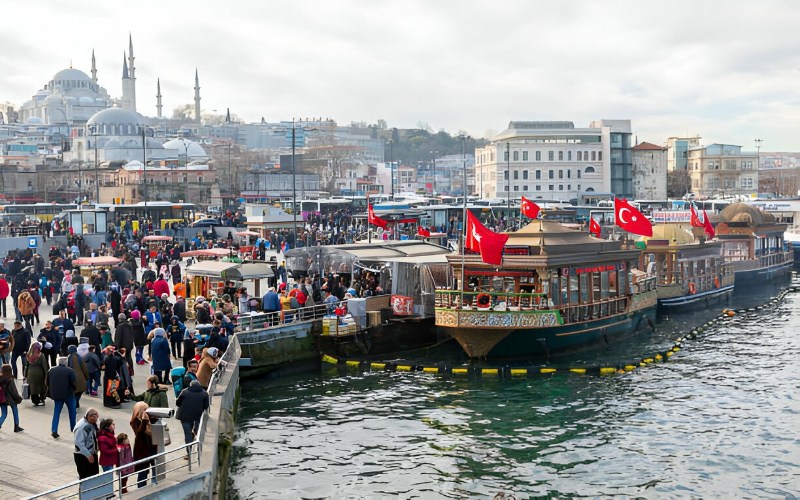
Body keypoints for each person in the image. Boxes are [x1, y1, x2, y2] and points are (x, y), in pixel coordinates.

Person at [48, 356, 77, 439]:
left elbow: (47, 382)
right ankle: (73, 428)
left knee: (56, 413)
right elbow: (74, 383)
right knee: (72, 412)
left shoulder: (51, 370)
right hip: (69, 394)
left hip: (57, 395)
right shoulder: (70, 371)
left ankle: (54, 430)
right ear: (66, 363)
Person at [176, 380, 209, 451]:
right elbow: (206, 406)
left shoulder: (184, 392)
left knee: (187, 434)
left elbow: (178, 403)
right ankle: (195, 436)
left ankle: (189, 452)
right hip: (197, 416)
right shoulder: (204, 393)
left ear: (190, 385)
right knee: (196, 429)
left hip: (184, 416)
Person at [131, 402, 157, 488]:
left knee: (155, 467)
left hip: (152, 447)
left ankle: (155, 483)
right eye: (144, 410)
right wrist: (144, 422)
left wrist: (154, 418)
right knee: (143, 472)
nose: (146, 411)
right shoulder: (135, 420)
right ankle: (141, 488)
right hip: (142, 450)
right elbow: (139, 433)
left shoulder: (148, 418)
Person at [73, 407, 100, 479]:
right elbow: (79, 443)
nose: (97, 420)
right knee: (86, 478)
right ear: (90, 417)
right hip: (83, 456)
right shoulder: (83, 426)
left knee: (93, 477)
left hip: (91, 454)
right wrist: (88, 455)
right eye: (96, 418)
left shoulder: (89, 423)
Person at [0, 364, 24, 432]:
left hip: (1, 398)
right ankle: (16, 426)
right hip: (10, 399)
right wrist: (18, 398)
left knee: (4, 414)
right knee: (15, 410)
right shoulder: (10, 379)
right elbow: (13, 392)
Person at [25, 342, 49, 406]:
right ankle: (42, 398)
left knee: (33, 388)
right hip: (39, 373)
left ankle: (35, 401)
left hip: (30, 373)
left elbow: (26, 366)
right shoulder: (40, 355)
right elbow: (44, 365)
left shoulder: (28, 355)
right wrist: (47, 373)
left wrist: (25, 374)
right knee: (41, 386)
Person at [66, 345, 89, 409]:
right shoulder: (79, 357)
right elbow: (84, 369)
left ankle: (75, 403)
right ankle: (76, 402)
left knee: (74, 392)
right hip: (81, 379)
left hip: (73, 379)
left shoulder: (69, 358)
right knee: (78, 392)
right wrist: (87, 377)